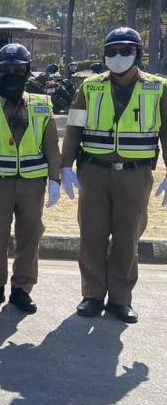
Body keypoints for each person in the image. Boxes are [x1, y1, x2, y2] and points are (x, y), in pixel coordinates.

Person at [60, 27, 167, 323]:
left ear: (138, 54)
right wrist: (65, 166)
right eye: (111, 51)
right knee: (91, 235)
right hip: (94, 172)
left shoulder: (158, 88)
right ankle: (92, 295)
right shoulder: (90, 87)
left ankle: (121, 299)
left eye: (125, 51)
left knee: (127, 238)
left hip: (135, 175)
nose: (118, 56)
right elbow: (74, 128)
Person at [0, 44, 61, 314]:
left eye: (18, 69)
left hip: (33, 184)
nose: (12, 75)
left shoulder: (42, 106)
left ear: (27, 72)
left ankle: (22, 289)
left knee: (30, 236)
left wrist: (55, 179)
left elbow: (51, 145)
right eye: (6, 70)